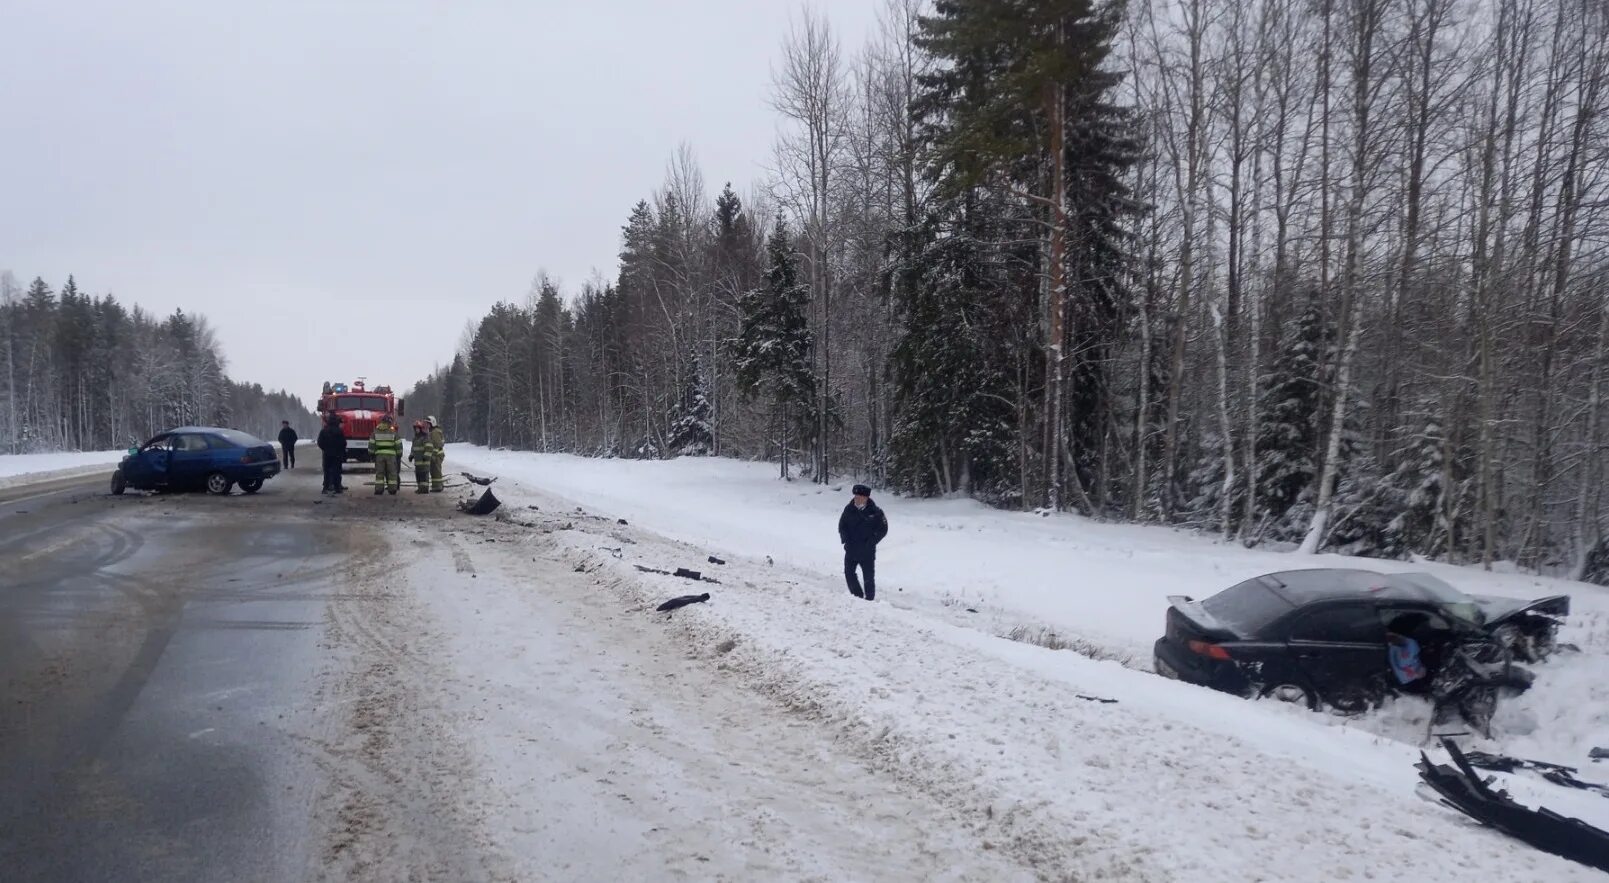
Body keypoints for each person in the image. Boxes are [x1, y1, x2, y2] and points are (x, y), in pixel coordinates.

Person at [838, 483, 889, 601]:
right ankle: (857, 597)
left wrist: (872, 541)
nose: (856, 499)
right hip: (851, 549)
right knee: (849, 574)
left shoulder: (875, 512)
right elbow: (842, 525)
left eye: (859, 497)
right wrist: (845, 539)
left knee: (869, 578)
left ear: (866, 498)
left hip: (867, 551)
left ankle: (870, 600)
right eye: (855, 496)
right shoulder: (849, 509)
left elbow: (883, 529)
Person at [1386, 614, 1430, 694]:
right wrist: (1418, 673)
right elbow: (1403, 663)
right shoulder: (1409, 644)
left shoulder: (1395, 643)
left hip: (1403, 680)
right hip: (1409, 681)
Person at [370, 413, 402, 495]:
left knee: (379, 473)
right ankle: (392, 489)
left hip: (379, 456)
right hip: (391, 456)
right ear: (389, 421)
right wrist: (399, 454)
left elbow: (372, 443)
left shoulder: (376, 431)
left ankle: (379, 490)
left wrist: (371, 454)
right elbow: (398, 444)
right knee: (392, 473)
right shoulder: (392, 431)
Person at [316, 412, 346, 495]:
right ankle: (337, 488)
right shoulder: (339, 431)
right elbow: (343, 443)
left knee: (327, 472)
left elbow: (319, 442)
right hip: (337, 455)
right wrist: (340, 451)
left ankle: (325, 488)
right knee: (337, 471)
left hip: (327, 454)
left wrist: (325, 449)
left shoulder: (324, 431)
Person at [408, 420, 434, 494]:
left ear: (421, 429)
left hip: (424, 461)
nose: (416, 430)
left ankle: (424, 489)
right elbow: (413, 449)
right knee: (418, 475)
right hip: (418, 462)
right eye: (415, 428)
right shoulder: (415, 439)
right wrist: (411, 455)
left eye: (418, 428)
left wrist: (426, 456)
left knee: (424, 475)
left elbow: (429, 448)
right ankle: (420, 488)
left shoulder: (425, 438)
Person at [426, 415, 446, 492]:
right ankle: (437, 485)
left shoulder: (435, 432)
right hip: (436, 454)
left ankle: (438, 487)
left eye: (428, 423)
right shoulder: (433, 431)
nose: (427, 425)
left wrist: (433, 455)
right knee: (434, 471)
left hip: (437, 455)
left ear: (432, 423)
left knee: (436, 471)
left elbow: (437, 445)